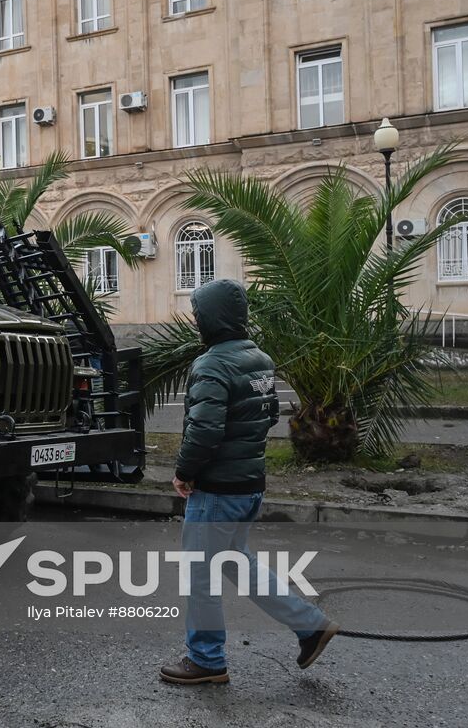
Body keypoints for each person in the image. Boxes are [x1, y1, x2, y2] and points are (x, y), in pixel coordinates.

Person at [159, 278, 338, 685]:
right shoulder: (259, 358)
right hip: (249, 485)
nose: (196, 322)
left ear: (211, 318)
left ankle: (206, 660)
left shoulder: (212, 364)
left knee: (199, 574)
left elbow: (204, 430)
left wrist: (185, 472)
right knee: (238, 563)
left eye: (199, 315)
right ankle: (311, 627)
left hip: (217, 490)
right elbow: (269, 414)